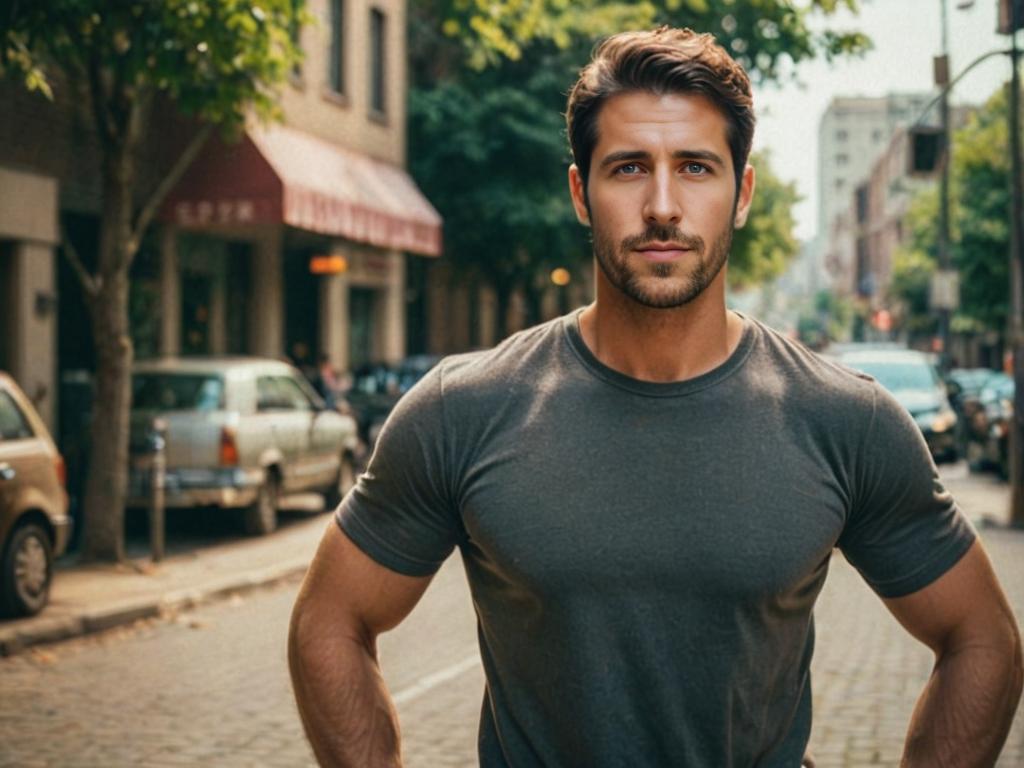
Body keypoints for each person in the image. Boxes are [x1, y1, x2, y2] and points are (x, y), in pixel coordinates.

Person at [289, 27, 1023, 767]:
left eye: (697, 167)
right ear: (582, 192)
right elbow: (330, 620)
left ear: (742, 193)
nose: (663, 205)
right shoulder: (464, 408)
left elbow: (983, 640)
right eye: (629, 167)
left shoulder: (844, 419)